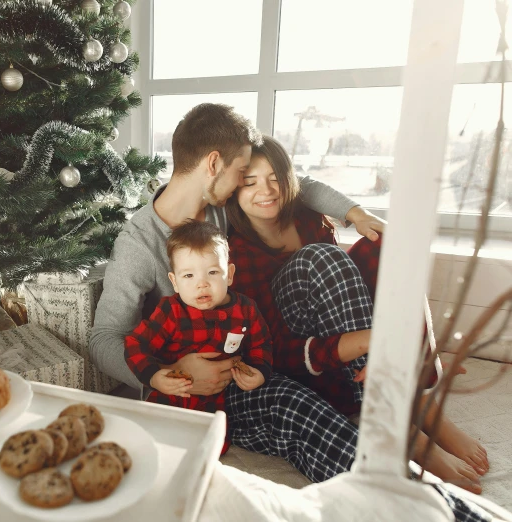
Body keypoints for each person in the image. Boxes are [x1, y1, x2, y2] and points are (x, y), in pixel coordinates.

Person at [89, 103, 491, 522]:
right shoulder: (137, 245)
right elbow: (102, 338)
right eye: (241, 172)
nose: (249, 184)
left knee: (324, 261)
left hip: (255, 356)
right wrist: (169, 371)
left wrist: (354, 213)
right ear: (214, 165)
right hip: (205, 388)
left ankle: (401, 419)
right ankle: (414, 499)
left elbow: (300, 182)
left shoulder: (222, 206)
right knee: (306, 415)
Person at [225, 134, 489, 494]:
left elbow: (344, 298)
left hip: (343, 336)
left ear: (289, 181)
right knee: (320, 258)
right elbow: (277, 348)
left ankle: (416, 395)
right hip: (301, 356)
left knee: (385, 245)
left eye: (274, 178)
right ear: (233, 193)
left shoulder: (305, 217)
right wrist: (369, 339)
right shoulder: (237, 251)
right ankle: (391, 415)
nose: (265, 190)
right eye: (250, 182)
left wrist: (361, 217)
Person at [125, 220, 271, 417]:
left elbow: (261, 345)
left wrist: (260, 371)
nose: (202, 284)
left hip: (230, 395)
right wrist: (153, 376)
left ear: (229, 275)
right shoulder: (172, 311)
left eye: (212, 272)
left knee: (215, 441)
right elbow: (136, 344)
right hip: (178, 396)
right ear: (174, 282)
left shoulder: (246, 309)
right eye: (188, 276)